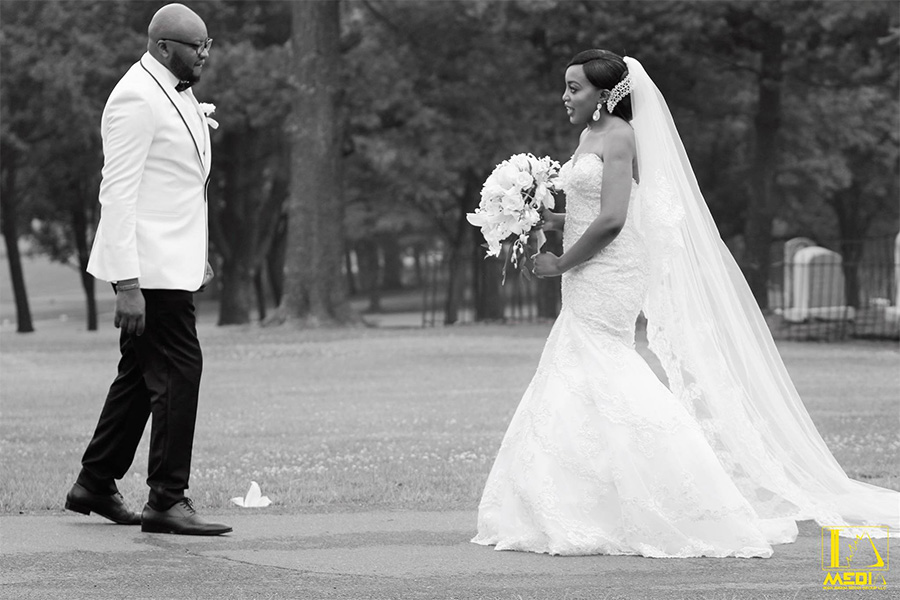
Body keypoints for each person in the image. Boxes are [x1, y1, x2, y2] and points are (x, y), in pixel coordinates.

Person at [472, 49, 899, 557]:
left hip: (609, 269)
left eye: (574, 87)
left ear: (604, 95)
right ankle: (580, 503)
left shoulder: (620, 136)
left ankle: (688, 495)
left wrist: (560, 263)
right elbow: (595, 209)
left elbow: (613, 220)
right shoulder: (588, 136)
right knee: (578, 367)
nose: (564, 96)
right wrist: (545, 220)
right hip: (589, 270)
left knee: (603, 363)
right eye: (565, 86)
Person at [65, 3, 230, 536]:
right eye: (195, 46)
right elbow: (117, 194)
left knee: (139, 377)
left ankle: (95, 481)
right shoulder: (135, 96)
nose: (204, 54)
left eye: (207, 44)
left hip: (171, 264)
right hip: (148, 273)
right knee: (180, 371)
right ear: (162, 46)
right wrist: (127, 283)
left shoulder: (173, 92)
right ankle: (167, 498)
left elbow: (177, 186)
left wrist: (195, 255)